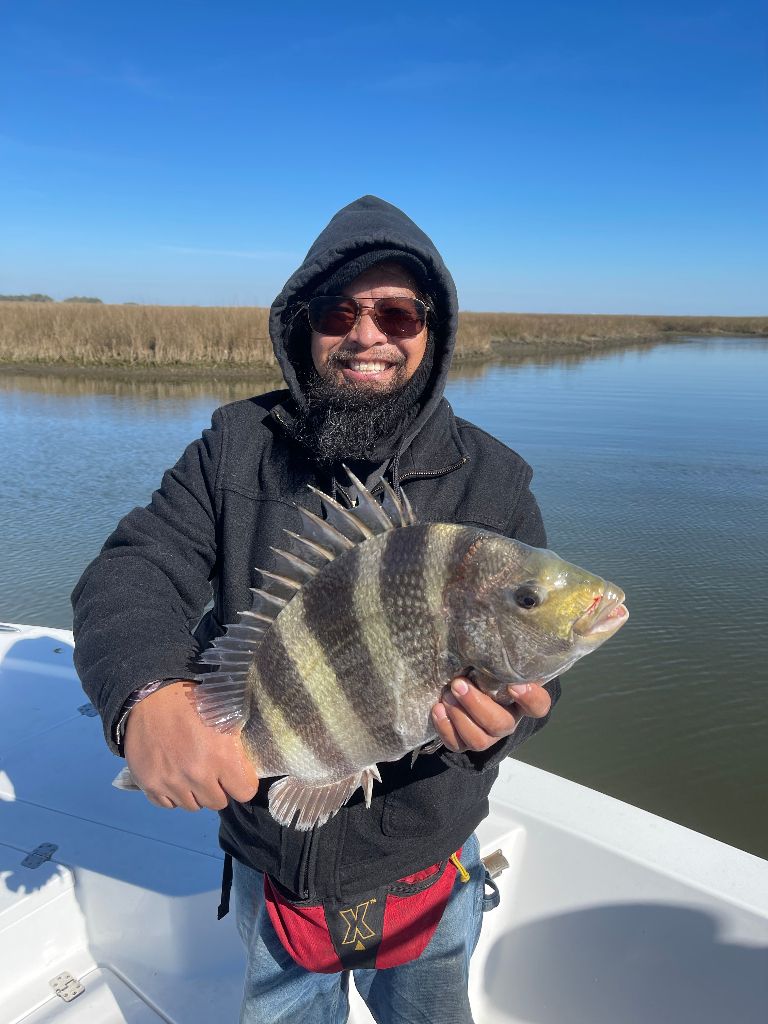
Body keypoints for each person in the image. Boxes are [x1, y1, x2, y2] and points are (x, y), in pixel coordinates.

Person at [71, 195, 560, 1024]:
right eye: (340, 309)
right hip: (272, 859)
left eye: (398, 312)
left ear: (431, 332)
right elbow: (134, 569)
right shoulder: (234, 443)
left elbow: (535, 662)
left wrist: (508, 726)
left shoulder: (496, 483)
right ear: (303, 324)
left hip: (425, 860)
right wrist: (144, 693)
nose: (368, 334)